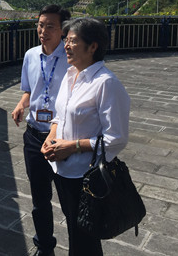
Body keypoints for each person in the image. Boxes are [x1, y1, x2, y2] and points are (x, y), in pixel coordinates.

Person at [41, 17, 130, 256]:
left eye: (73, 41)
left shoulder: (106, 84)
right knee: (75, 230)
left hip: (85, 176)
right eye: (66, 41)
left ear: (93, 47)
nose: (66, 46)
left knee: (84, 239)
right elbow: (60, 115)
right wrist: (50, 137)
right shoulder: (71, 75)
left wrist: (72, 147)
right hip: (61, 171)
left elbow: (116, 138)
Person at [11, 4, 71, 256]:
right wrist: (21, 103)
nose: (43, 31)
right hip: (34, 135)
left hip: (63, 139)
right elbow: (30, 90)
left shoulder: (71, 59)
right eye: (40, 25)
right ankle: (45, 246)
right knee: (39, 199)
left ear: (63, 30)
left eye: (50, 26)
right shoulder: (30, 55)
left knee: (71, 200)